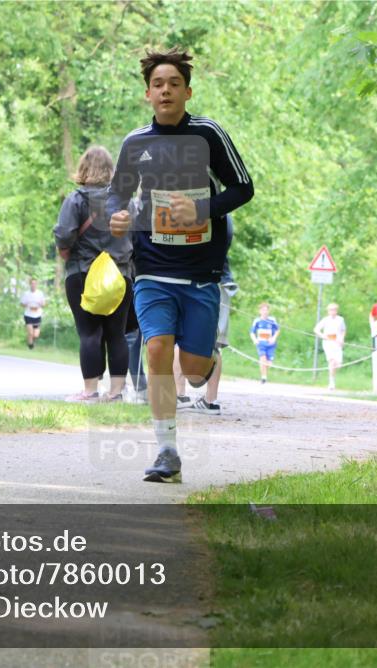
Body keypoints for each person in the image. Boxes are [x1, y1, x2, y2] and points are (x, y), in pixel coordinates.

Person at [108, 47, 254, 482]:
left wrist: (204, 209)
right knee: (155, 347)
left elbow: (243, 188)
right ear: (148, 94)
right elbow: (118, 194)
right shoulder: (136, 143)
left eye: (174, 83)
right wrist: (117, 216)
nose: (166, 90)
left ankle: (203, 356)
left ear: (187, 92)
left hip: (202, 269)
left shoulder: (207, 134)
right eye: (158, 84)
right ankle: (167, 450)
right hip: (152, 264)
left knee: (192, 373)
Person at [55, 146, 132, 402]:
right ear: (111, 170)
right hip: (120, 276)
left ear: (83, 168)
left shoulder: (75, 200)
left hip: (83, 273)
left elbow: (64, 234)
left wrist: (65, 248)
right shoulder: (125, 201)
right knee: (116, 334)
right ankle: (116, 393)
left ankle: (90, 391)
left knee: (89, 333)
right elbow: (139, 237)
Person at [175, 213, 237, 415]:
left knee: (179, 339)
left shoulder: (192, 211)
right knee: (215, 343)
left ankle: (179, 395)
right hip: (219, 279)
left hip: (197, 281)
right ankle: (210, 400)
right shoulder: (224, 214)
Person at [314, 302, 346, 391]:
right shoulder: (325, 320)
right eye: (331, 310)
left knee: (338, 364)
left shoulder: (340, 319)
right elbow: (316, 329)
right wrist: (322, 335)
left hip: (337, 342)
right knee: (331, 361)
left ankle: (333, 376)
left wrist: (342, 339)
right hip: (328, 342)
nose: (333, 312)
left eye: (334, 310)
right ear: (328, 311)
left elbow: (343, 330)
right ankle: (331, 382)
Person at [249, 303, 279, 384]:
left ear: (268, 311)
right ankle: (264, 377)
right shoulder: (257, 321)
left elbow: (277, 330)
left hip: (270, 344)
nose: (265, 312)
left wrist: (273, 338)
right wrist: (255, 340)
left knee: (269, 363)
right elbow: (252, 332)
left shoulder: (272, 320)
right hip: (261, 344)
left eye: (266, 310)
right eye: (263, 310)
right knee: (262, 359)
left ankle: (264, 374)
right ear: (260, 311)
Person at [19, 278, 47, 350]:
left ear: (37, 285)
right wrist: (27, 305)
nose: (33, 285)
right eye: (32, 283)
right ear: (30, 284)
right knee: (30, 333)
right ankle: (30, 348)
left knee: (36, 335)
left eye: (35, 283)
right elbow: (21, 304)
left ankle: (30, 342)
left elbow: (44, 304)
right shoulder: (26, 294)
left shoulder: (40, 293)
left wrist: (40, 305)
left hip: (37, 315)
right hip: (28, 315)